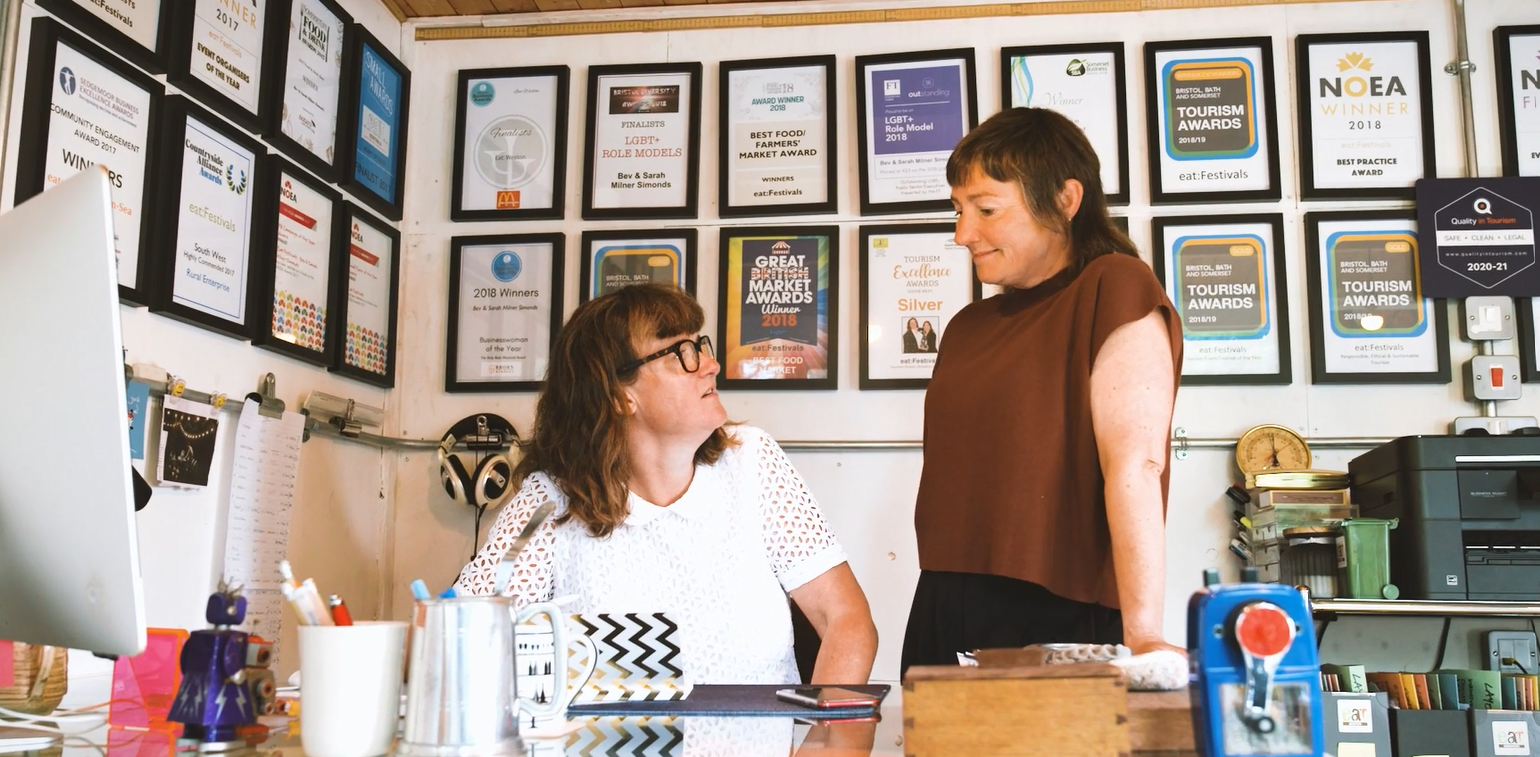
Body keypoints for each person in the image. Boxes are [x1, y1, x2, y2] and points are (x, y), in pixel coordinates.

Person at [456, 283, 878, 685]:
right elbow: (463, 634)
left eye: (700, 345)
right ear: (620, 395)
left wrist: (828, 740)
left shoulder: (751, 460)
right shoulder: (551, 500)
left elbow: (843, 618)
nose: (711, 364)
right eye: (682, 352)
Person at [900, 107, 1184, 673]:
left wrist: (1145, 631)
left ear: (1064, 199)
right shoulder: (967, 326)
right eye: (958, 211)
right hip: (944, 601)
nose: (962, 234)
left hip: (1060, 614)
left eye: (985, 209)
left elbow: (1136, 463)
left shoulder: (1115, 286)